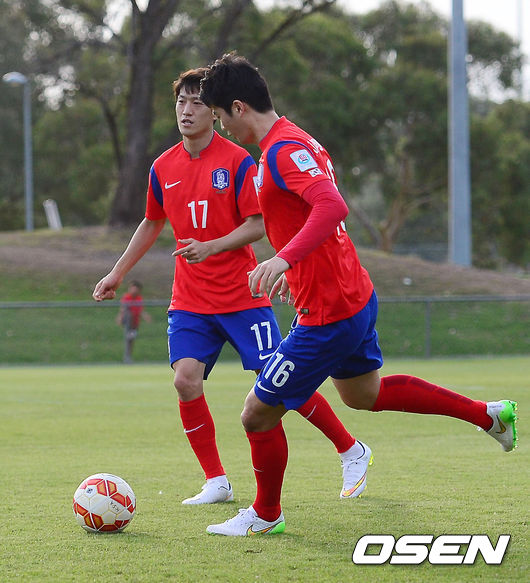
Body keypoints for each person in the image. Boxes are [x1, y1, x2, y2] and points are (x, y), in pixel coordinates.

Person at [198, 52, 518, 536]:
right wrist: (295, 265)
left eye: (221, 117)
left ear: (239, 107)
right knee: (364, 395)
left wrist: (283, 259)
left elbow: (332, 206)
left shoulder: (281, 150)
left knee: (257, 415)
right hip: (351, 296)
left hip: (329, 313)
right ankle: (489, 416)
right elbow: (307, 217)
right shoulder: (295, 139)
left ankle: (265, 515)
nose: (222, 128)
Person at [93, 67, 374, 506]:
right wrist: (117, 272)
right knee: (185, 380)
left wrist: (217, 247)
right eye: (181, 102)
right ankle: (216, 481)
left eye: (197, 103)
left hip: (243, 296)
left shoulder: (241, 161)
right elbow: (151, 221)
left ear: (217, 111)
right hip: (190, 299)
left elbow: (259, 224)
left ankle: (349, 448)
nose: (187, 110)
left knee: (279, 382)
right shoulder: (162, 167)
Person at [117, 280, 151, 363]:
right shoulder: (127, 297)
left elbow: (140, 310)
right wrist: (120, 318)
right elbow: (122, 309)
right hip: (127, 321)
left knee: (131, 341)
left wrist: (145, 316)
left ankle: (128, 357)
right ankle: (126, 357)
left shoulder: (139, 299)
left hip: (135, 324)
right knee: (128, 339)